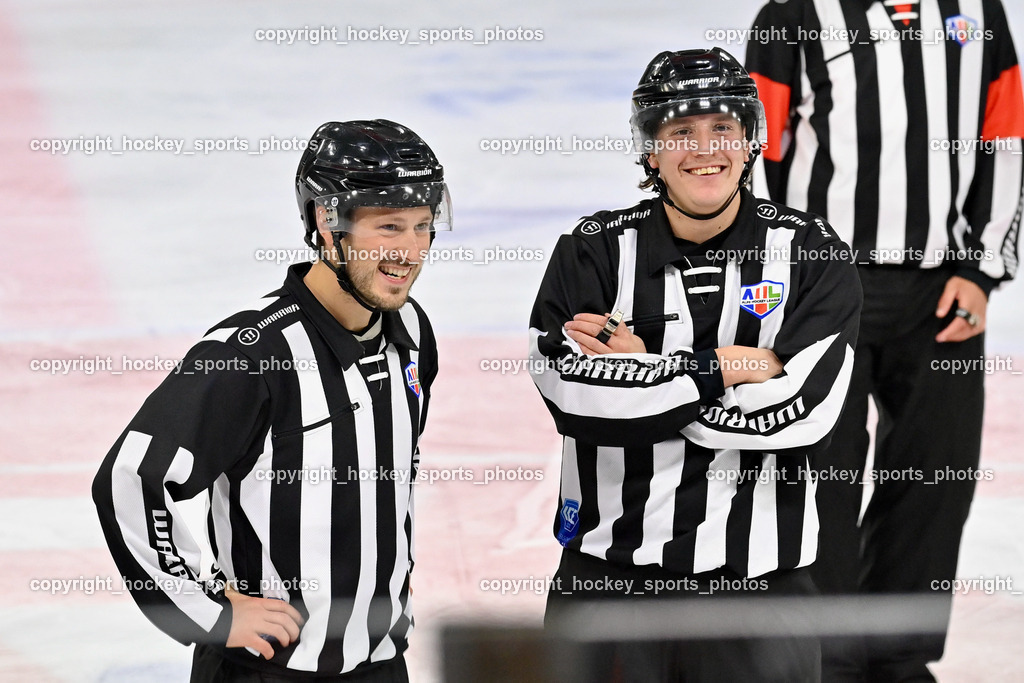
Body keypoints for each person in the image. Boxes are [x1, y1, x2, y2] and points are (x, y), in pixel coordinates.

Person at [528, 47, 861, 682]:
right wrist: (728, 366)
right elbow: (577, 401)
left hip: (763, 591)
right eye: (679, 130)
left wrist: (651, 370)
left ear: (750, 141)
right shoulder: (592, 251)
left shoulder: (811, 251)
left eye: (722, 129)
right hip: (610, 583)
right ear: (650, 149)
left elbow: (804, 410)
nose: (704, 148)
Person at [92, 119, 451, 682]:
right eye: (388, 228)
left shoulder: (411, 330)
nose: (409, 251)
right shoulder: (255, 352)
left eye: (422, 227)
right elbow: (132, 478)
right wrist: (205, 613)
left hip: (381, 665)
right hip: (266, 671)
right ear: (326, 226)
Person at [746, 2, 1023, 680]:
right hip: (824, 289)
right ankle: (830, 659)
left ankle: (900, 657)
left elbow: (1005, 134)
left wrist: (981, 269)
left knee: (936, 477)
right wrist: (779, 279)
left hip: (943, 291)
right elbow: (752, 152)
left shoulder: (975, 11)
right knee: (822, 481)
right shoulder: (793, 12)